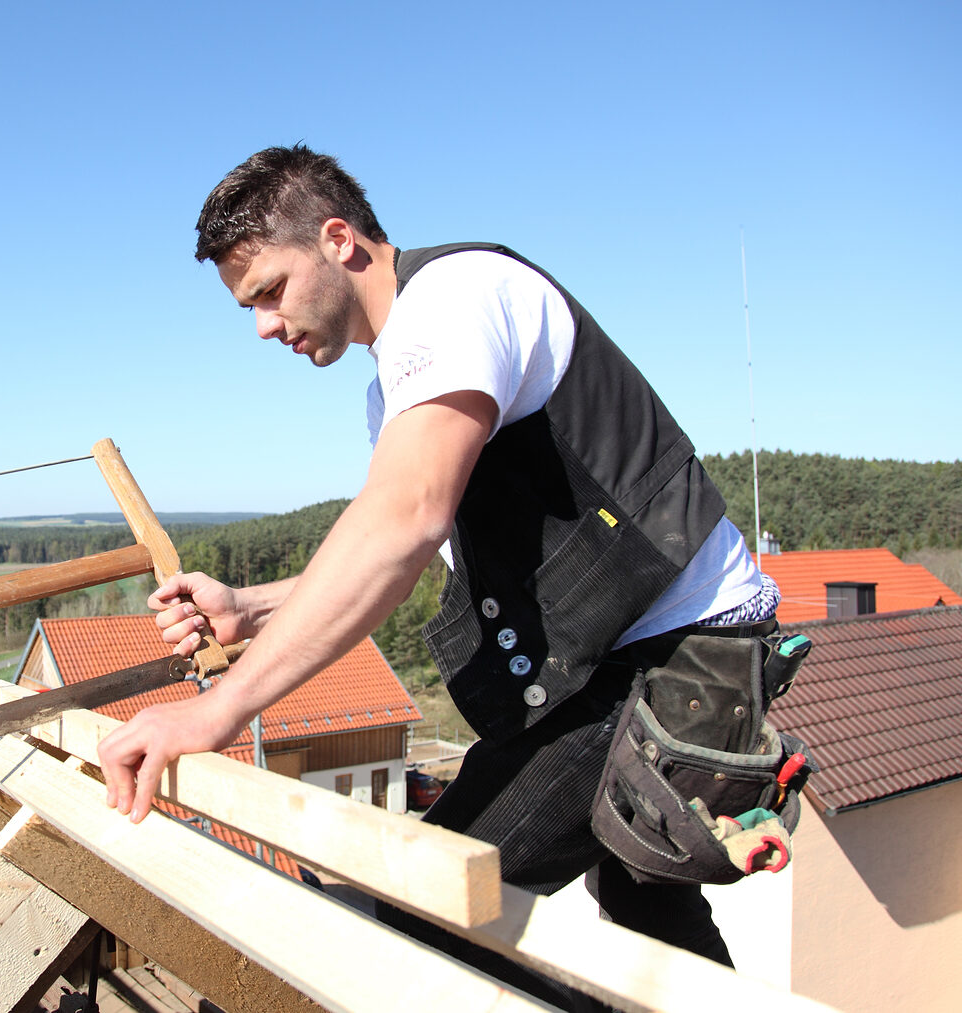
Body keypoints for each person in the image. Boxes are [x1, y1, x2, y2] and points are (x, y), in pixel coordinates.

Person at [96, 144, 780, 1005]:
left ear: (339, 239)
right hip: (621, 663)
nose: (265, 325)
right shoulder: (393, 387)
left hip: (667, 660)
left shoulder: (453, 301)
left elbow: (403, 518)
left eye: (268, 290)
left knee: (423, 917)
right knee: (649, 925)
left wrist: (215, 711)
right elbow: (417, 539)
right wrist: (254, 606)